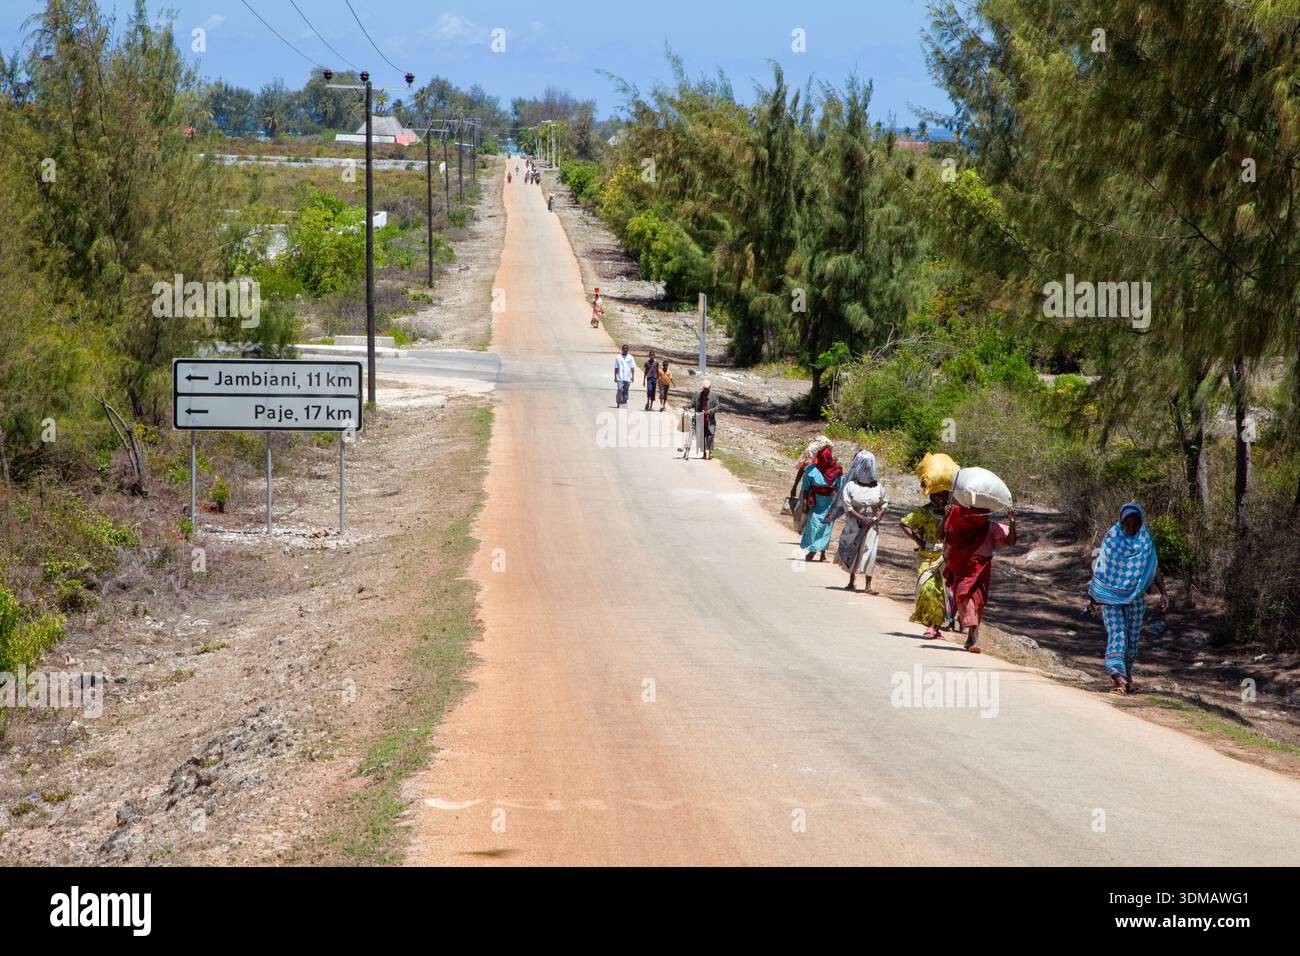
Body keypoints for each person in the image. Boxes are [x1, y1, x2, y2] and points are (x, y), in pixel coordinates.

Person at [1087, 502, 1169, 694]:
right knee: (1118, 634)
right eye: (1128, 524)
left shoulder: (1146, 541)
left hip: (1136, 598)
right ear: (1121, 522)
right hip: (1111, 597)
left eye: (1135, 524)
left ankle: (1127, 676)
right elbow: (1101, 568)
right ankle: (1118, 678)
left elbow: (1153, 568)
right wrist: (1094, 596)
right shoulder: (1112, 539)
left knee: (1132, 639)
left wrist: (1163, 592)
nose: (1131, 528)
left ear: (1141, 522)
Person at [942, 503, 1017, 653]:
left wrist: (1012, 521)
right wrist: (947, 515)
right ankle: (975, 639)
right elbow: (942, 535)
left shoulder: (991, 527)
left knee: (978, 602)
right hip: (963, 567)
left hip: (983, 569)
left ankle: (970, 638)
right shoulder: (960, 526)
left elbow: (1010, 541)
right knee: (965, 598)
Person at [829, 451, 888, 592]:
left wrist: (878, 515)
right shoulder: (850, 486)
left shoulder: (878, 487)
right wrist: (862, 518)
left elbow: (884, 503)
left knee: (870, 553)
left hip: (872, 526)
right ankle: (851, 581)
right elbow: (848, 507)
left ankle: (868, 585)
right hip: (854, 524)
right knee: (853, 551)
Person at [900, 491, 951, 637]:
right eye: (938, 495)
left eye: (944, 495)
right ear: (932, 496)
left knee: (941, 591)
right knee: (925, 588)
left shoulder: (954, 513)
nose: (941, 498)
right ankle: (931, 623)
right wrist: (919, 541)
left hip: (945, 557)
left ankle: (934, 627)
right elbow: (904, 523)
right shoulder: (923, 511)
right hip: (926, 557)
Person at [800, 445, 843, 561]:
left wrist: (838, 506)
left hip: (830, 504)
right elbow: (806, 488)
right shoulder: (812, 471)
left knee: (826, 528)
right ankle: (813, 549)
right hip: (816, 503)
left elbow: (839, 488)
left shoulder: (836, 471)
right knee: (814, 527)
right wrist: (804, 503)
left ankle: (819, 553)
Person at [692, 379, 718, 459]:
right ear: (702, 387)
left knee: (710, 436)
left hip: (710, 420)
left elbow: (717, 406)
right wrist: (688, 406)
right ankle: (704, 453)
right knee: (701, 437)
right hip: (700, 419)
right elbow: (692, 403)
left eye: (707, 388)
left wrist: (710, 411)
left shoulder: (714, 396)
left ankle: (709, 452)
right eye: (704, 388)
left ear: (710, 387)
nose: (705, 390)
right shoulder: (697, 395)